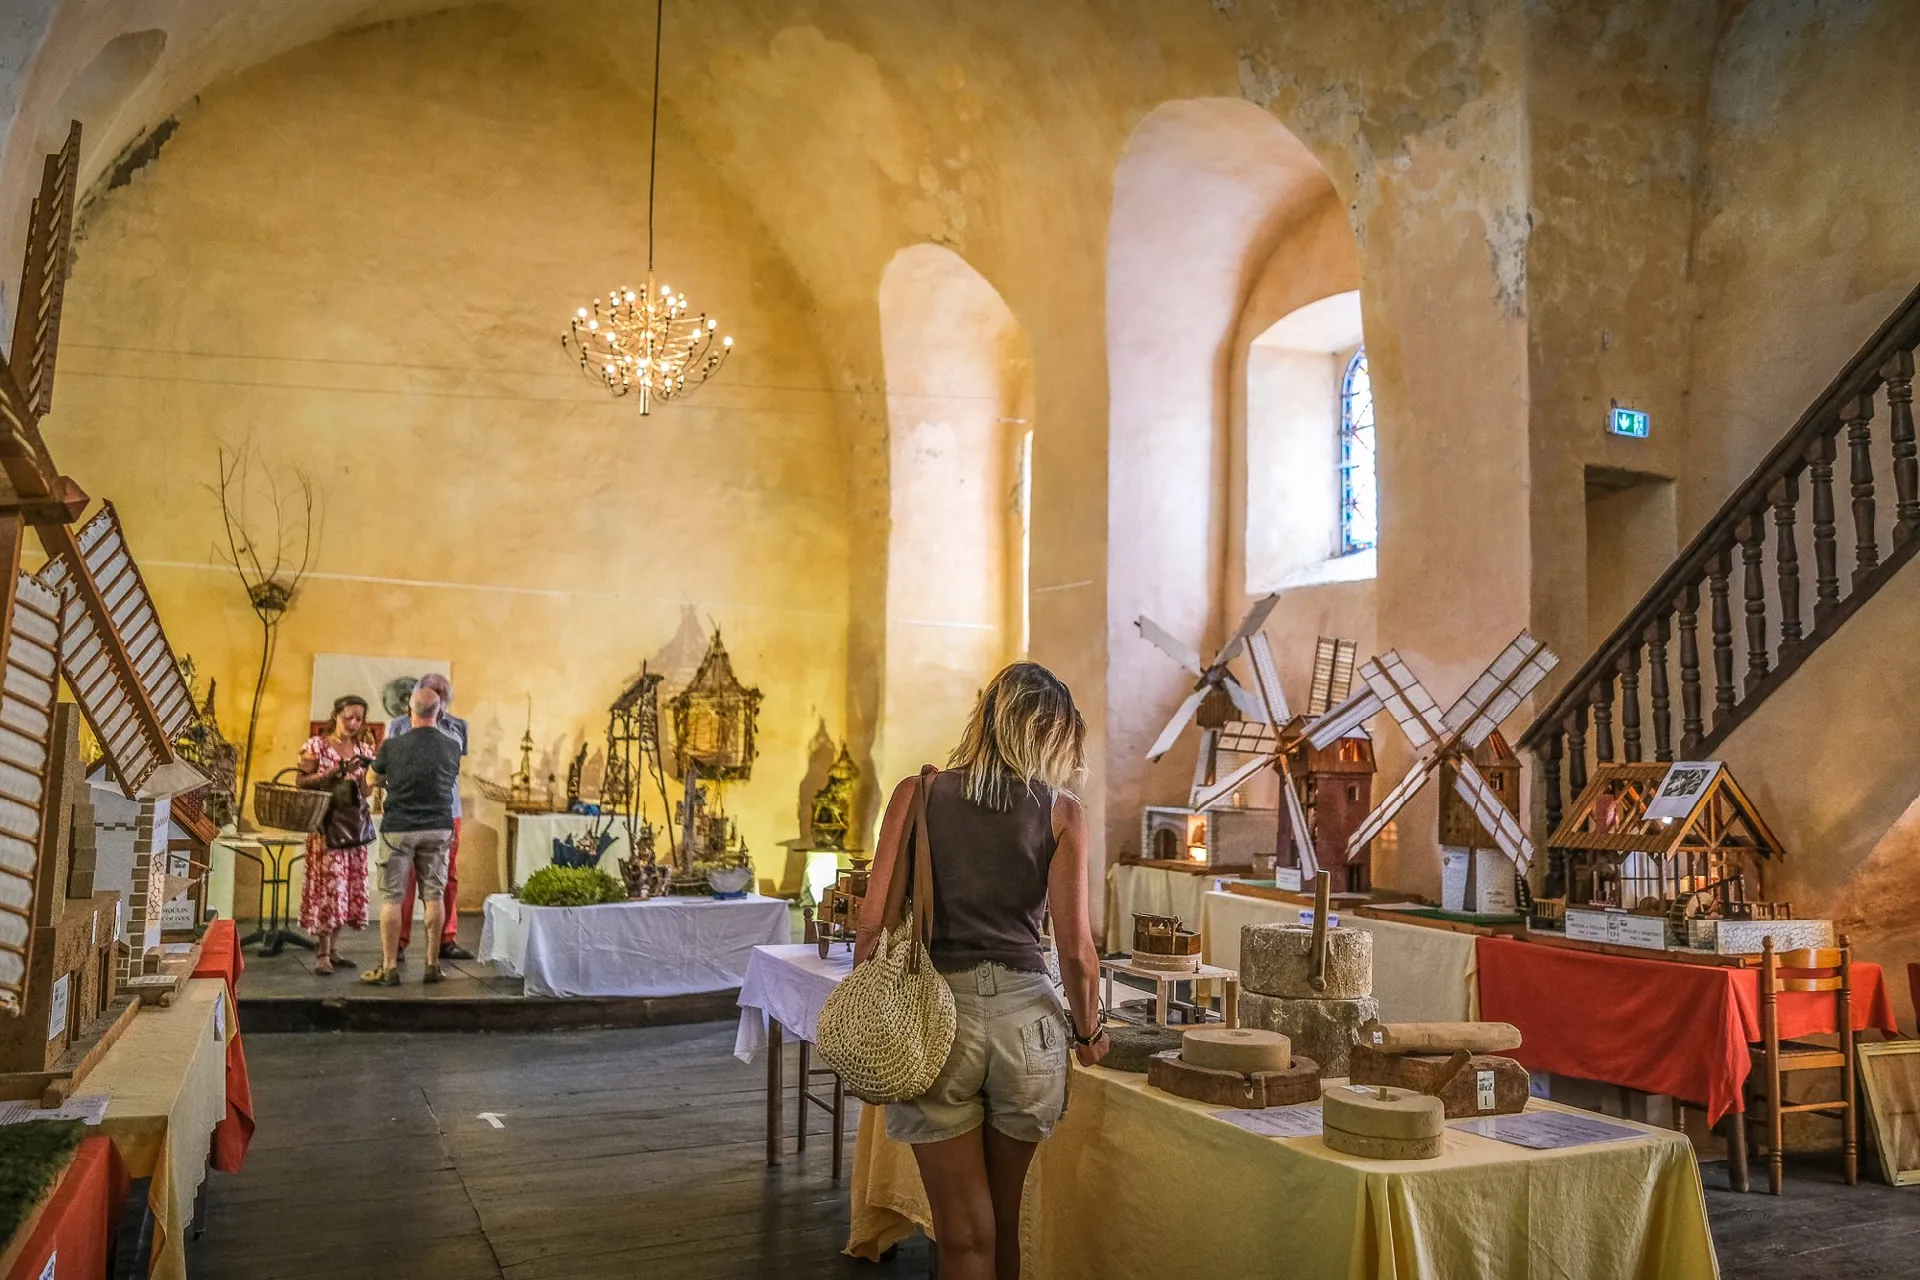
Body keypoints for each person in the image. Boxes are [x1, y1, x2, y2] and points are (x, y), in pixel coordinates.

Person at [854, 662, 1107, 1280]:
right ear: (1048, 733)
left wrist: (872, 997)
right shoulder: (1061, 812)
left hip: (937, 1019)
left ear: (986, 718)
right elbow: (1075, 950)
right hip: (1030, 1026)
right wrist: (1089, 1032)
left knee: (965, 1236)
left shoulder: (919, 795)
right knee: (1003, 1217)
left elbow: (871, 924)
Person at [362, 685, 463, 986]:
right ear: (439, 712)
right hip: (439, 826)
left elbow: (371, 779)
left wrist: (383, 777)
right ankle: (432, 965)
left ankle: (389, 967)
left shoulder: (393, 746)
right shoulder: (452, 746)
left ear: (409, 711)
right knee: (434, 895)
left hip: (400, 826)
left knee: (392, 897)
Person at [386, 672, 471, 962]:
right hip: (408, 811)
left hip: (447, 812)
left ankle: (447, 939)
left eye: (442, 695)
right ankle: (398, 941)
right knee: (404, 877)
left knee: (448, 876)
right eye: (431, 693)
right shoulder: (398, 727)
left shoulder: (457, 727)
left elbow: (452, 764)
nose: (436, 699)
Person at [294, 696, 375, 975]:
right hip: (327, 826)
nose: (353, 723)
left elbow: (366, 793)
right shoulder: (316, 745)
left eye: (359, 719)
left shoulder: (363, 748)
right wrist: (333, 772)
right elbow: (300, 782)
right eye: (348, 717)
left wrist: (368, 771)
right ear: (336, 715)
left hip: (352, 826)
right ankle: (322, 951)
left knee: (347, 889)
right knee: (330, 887)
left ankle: (335, 949)